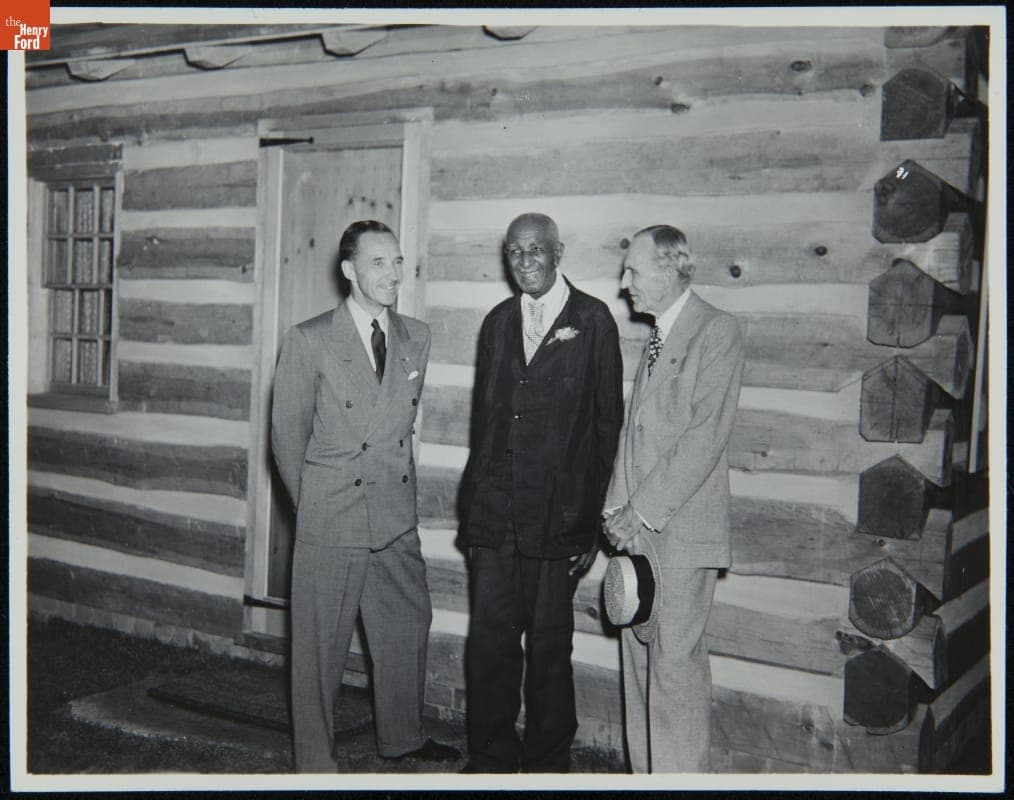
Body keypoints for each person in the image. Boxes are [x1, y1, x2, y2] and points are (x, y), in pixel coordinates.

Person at [271, 220, 459, 772]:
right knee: (318, 650)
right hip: (333, 515)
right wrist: (317, 510)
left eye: (398, 262)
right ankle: (315, 763)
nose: (393, 274)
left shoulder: (415, 335)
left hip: (394, 515)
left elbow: (402, 424)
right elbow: (286, 438)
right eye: (379, 263)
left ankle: (401, 736)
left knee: (406, 625)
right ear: (349, 270)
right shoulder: (309, 339)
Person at [458, 212, 624, 772]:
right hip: (494, 517)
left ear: (558, 252)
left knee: (550, 652)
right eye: (514, 252)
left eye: (536, 250)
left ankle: (548, 767)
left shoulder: (593, 320)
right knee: (489, 645)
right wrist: (475, 511)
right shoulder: (498, 322)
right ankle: (490, 761)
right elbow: (484, 423)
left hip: (559, 518)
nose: (525, 261)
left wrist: (590, 525)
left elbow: (607, 430)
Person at [603, 224, 744, 773]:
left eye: (633, 271)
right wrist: (615, 511)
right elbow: (634, 433)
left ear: (669, 269)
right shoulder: (658, 335)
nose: (624, 282)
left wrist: (637, 510)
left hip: (682, 537)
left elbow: (704, 437)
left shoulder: (717, 331)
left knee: (675, 677)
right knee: (639, 674)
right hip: (637, 533)